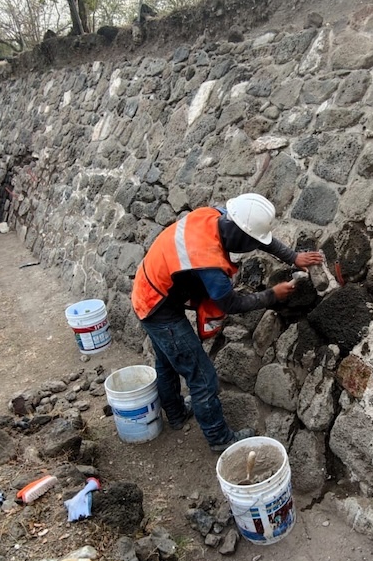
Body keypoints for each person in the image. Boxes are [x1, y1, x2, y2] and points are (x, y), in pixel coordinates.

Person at [131, 193, 324, 454]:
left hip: (148, 290)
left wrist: (293, 257)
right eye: (251, 242)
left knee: (166, 363)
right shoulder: (208, 261)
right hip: (157, 308)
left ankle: (176, 415)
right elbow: (230, 304)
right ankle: (219, 439)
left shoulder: (217, 216)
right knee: (202, 377)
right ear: (239, 234)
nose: (253, 247)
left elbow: (257, 235)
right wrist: (272, 295)